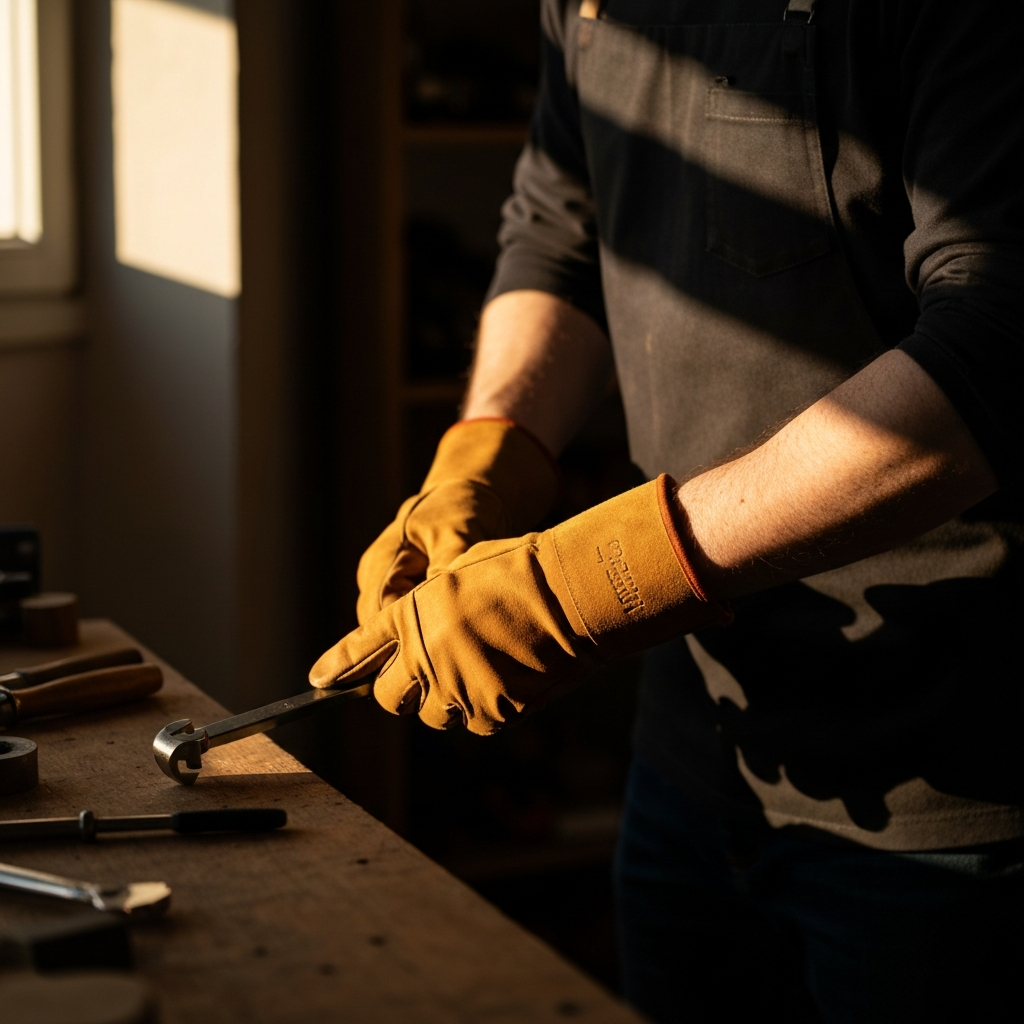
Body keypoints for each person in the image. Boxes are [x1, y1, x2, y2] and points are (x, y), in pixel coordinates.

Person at [312, 1, 1024, 1020]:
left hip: (944, 787)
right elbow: (561, 229)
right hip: (692, 751)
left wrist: (595, 577)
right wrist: (484, 461)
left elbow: (997, 343)